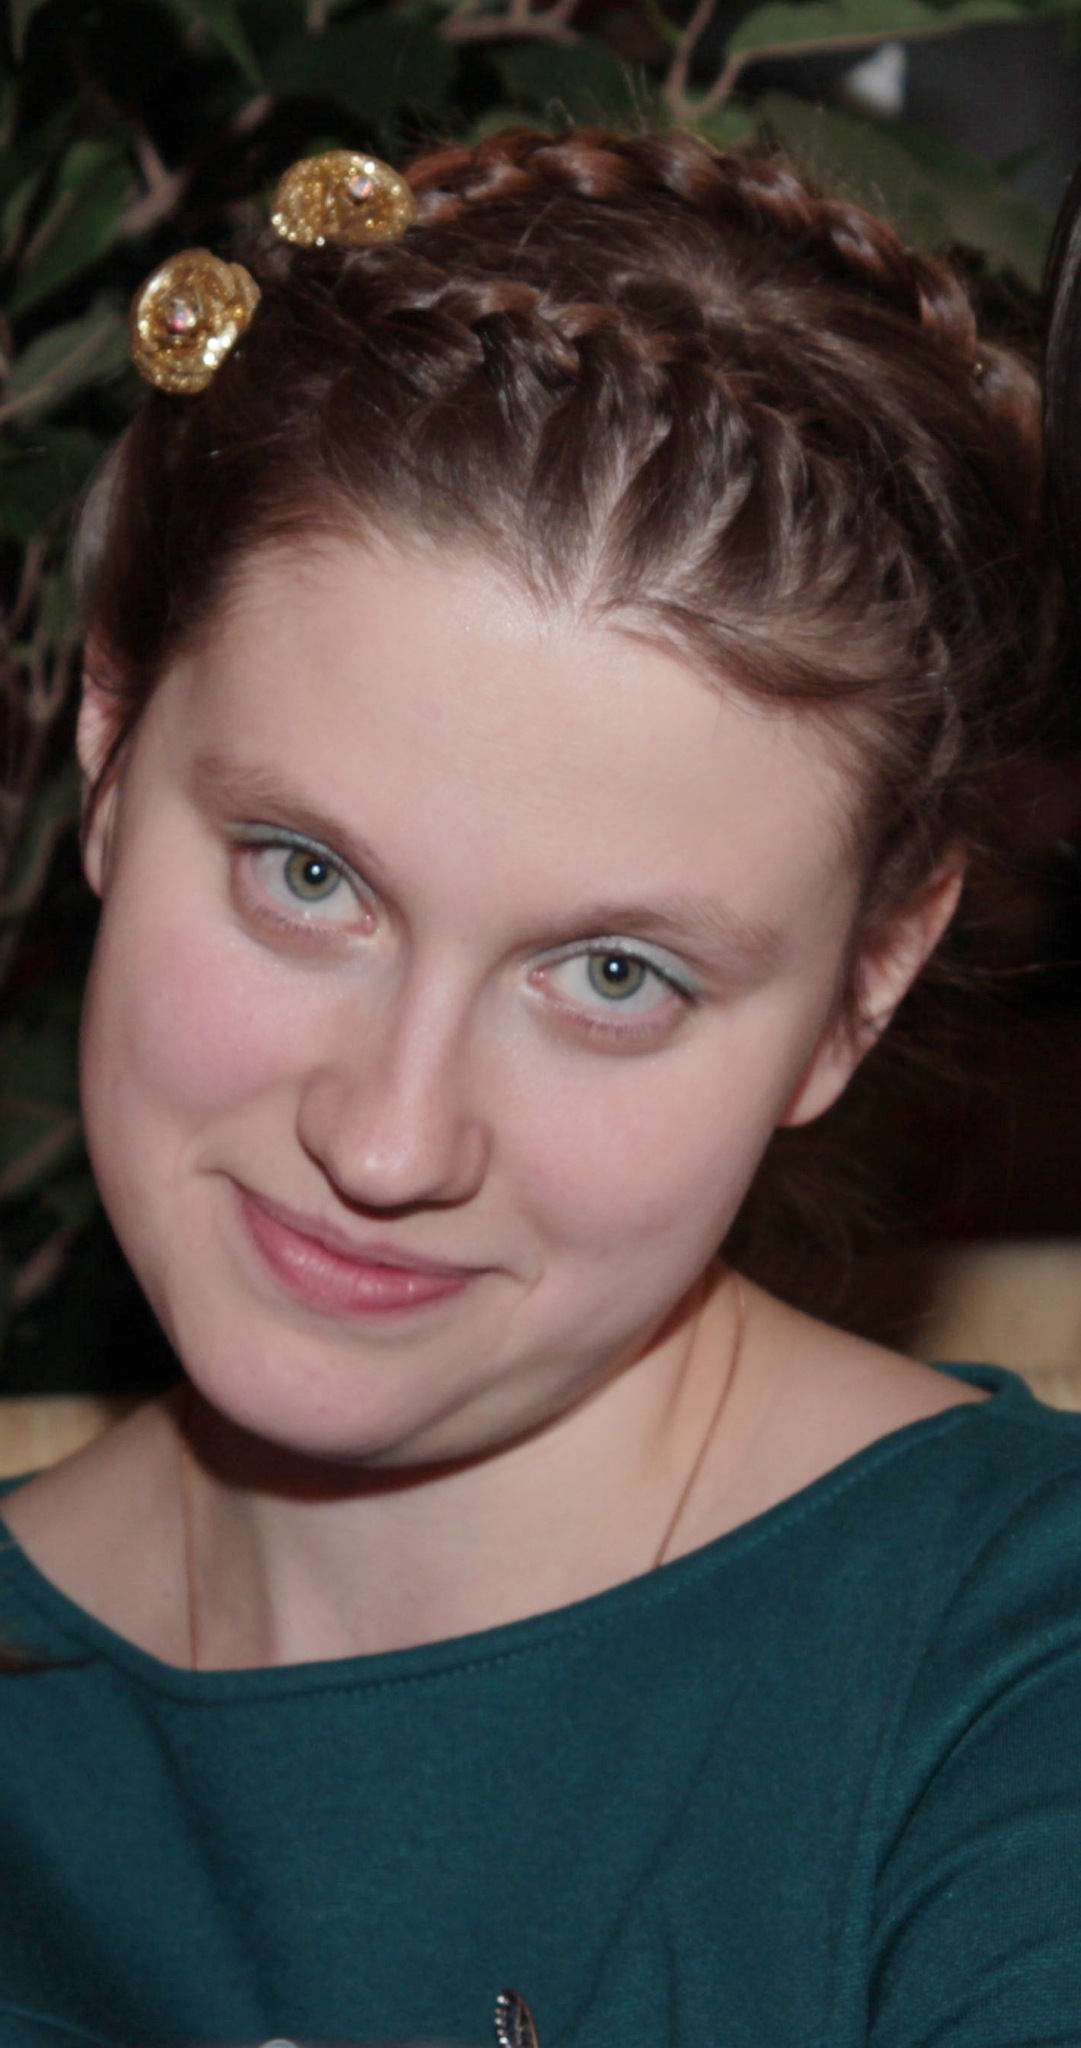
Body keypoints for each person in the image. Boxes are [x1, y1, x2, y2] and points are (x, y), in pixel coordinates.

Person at [0, 127, 1079, 2048]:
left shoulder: (1018, 1686)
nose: (386, 1141)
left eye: (611, 977)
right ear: (104, 744)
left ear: (864, 990)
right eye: (305, 878)